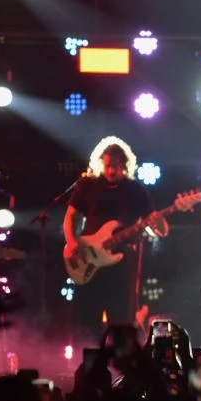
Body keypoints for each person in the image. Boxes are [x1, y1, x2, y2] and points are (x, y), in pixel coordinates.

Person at [63, 136, 169, 344]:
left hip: (122, 262)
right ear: (101, 162)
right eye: (109, 165)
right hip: (88, 258)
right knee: (87, 317)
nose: (112, 170)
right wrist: (73, 242)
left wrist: (161, 222)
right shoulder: (87, 185)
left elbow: (160, 230)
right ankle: (87, 361)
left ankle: (121, 364)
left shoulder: (136, 190)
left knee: (120, 318)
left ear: (125, 165)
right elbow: (70, 217)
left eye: (117, 166)